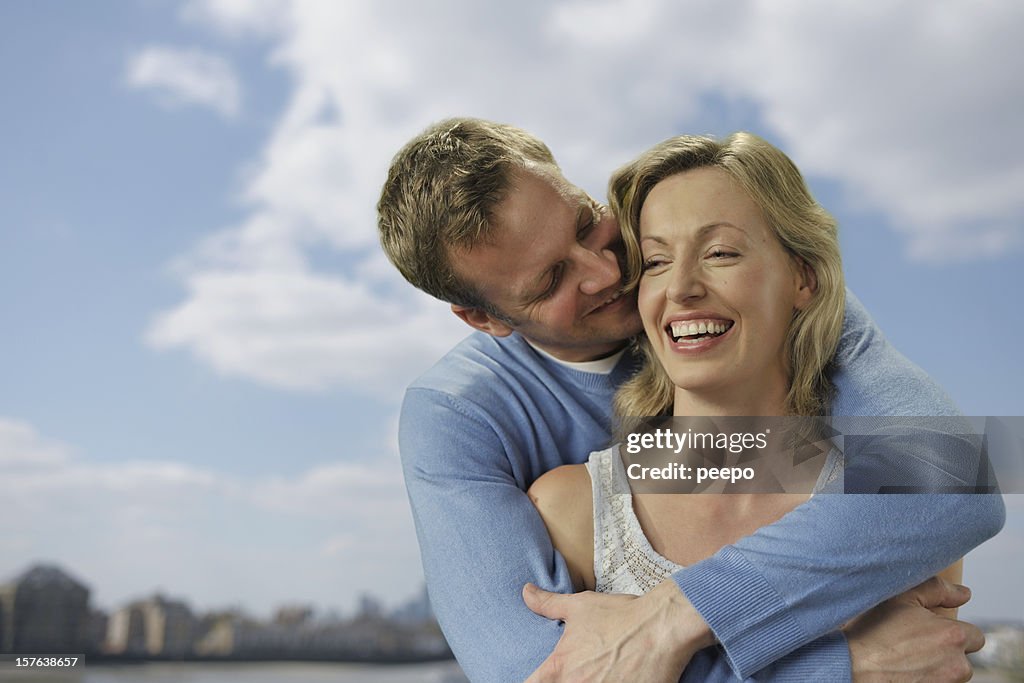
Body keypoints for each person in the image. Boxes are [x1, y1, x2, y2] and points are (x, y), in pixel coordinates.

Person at [376, 118, 1004, 681]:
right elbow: (535, 670)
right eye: (551, 280)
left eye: (587, 224)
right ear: (484, 319)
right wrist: (836, 668)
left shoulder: (771, 312)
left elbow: (950, 474)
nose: (604, 272)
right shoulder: (458, 416)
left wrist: (672, 617)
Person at [527, 133, 979, 679]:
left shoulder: (901, 509)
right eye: (655, 261)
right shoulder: (568, 509)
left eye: (721, 253)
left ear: (803, 279)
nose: (682, 287)